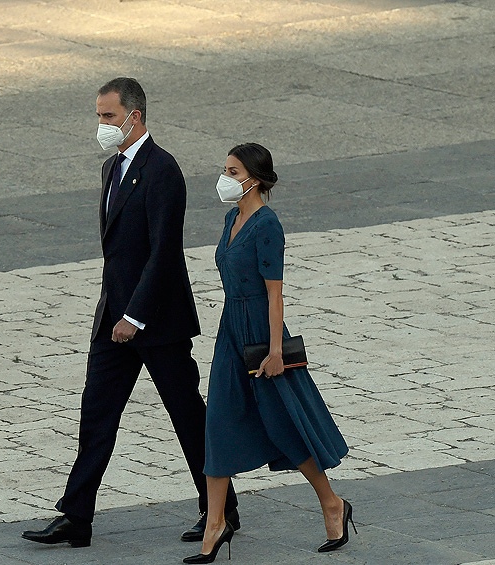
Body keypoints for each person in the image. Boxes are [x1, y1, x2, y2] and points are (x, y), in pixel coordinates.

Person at [21, 77, 239, 548]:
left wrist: (135, 316)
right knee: (95, 413)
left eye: (108, 117)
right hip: (113, 319)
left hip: (156, 321)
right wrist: (113, 313)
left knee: (186, 415)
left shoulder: (163, 171)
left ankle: (221, 508)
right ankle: (76, 516)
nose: (101, 125)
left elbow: (164, 253)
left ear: (133, 117)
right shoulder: (111, 170)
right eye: (99, 116)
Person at [183, 143, 352, 564]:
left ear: (253, 178)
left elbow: (275, 294)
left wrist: (275, 351)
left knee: (285, 423)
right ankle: (215, 523)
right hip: (230, 332)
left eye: (233, 170)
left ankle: (332, 503)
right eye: (225, 168)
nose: (225, 177)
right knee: (218, 422)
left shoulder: (267, 225)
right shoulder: (231, 218)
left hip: (261, 333)